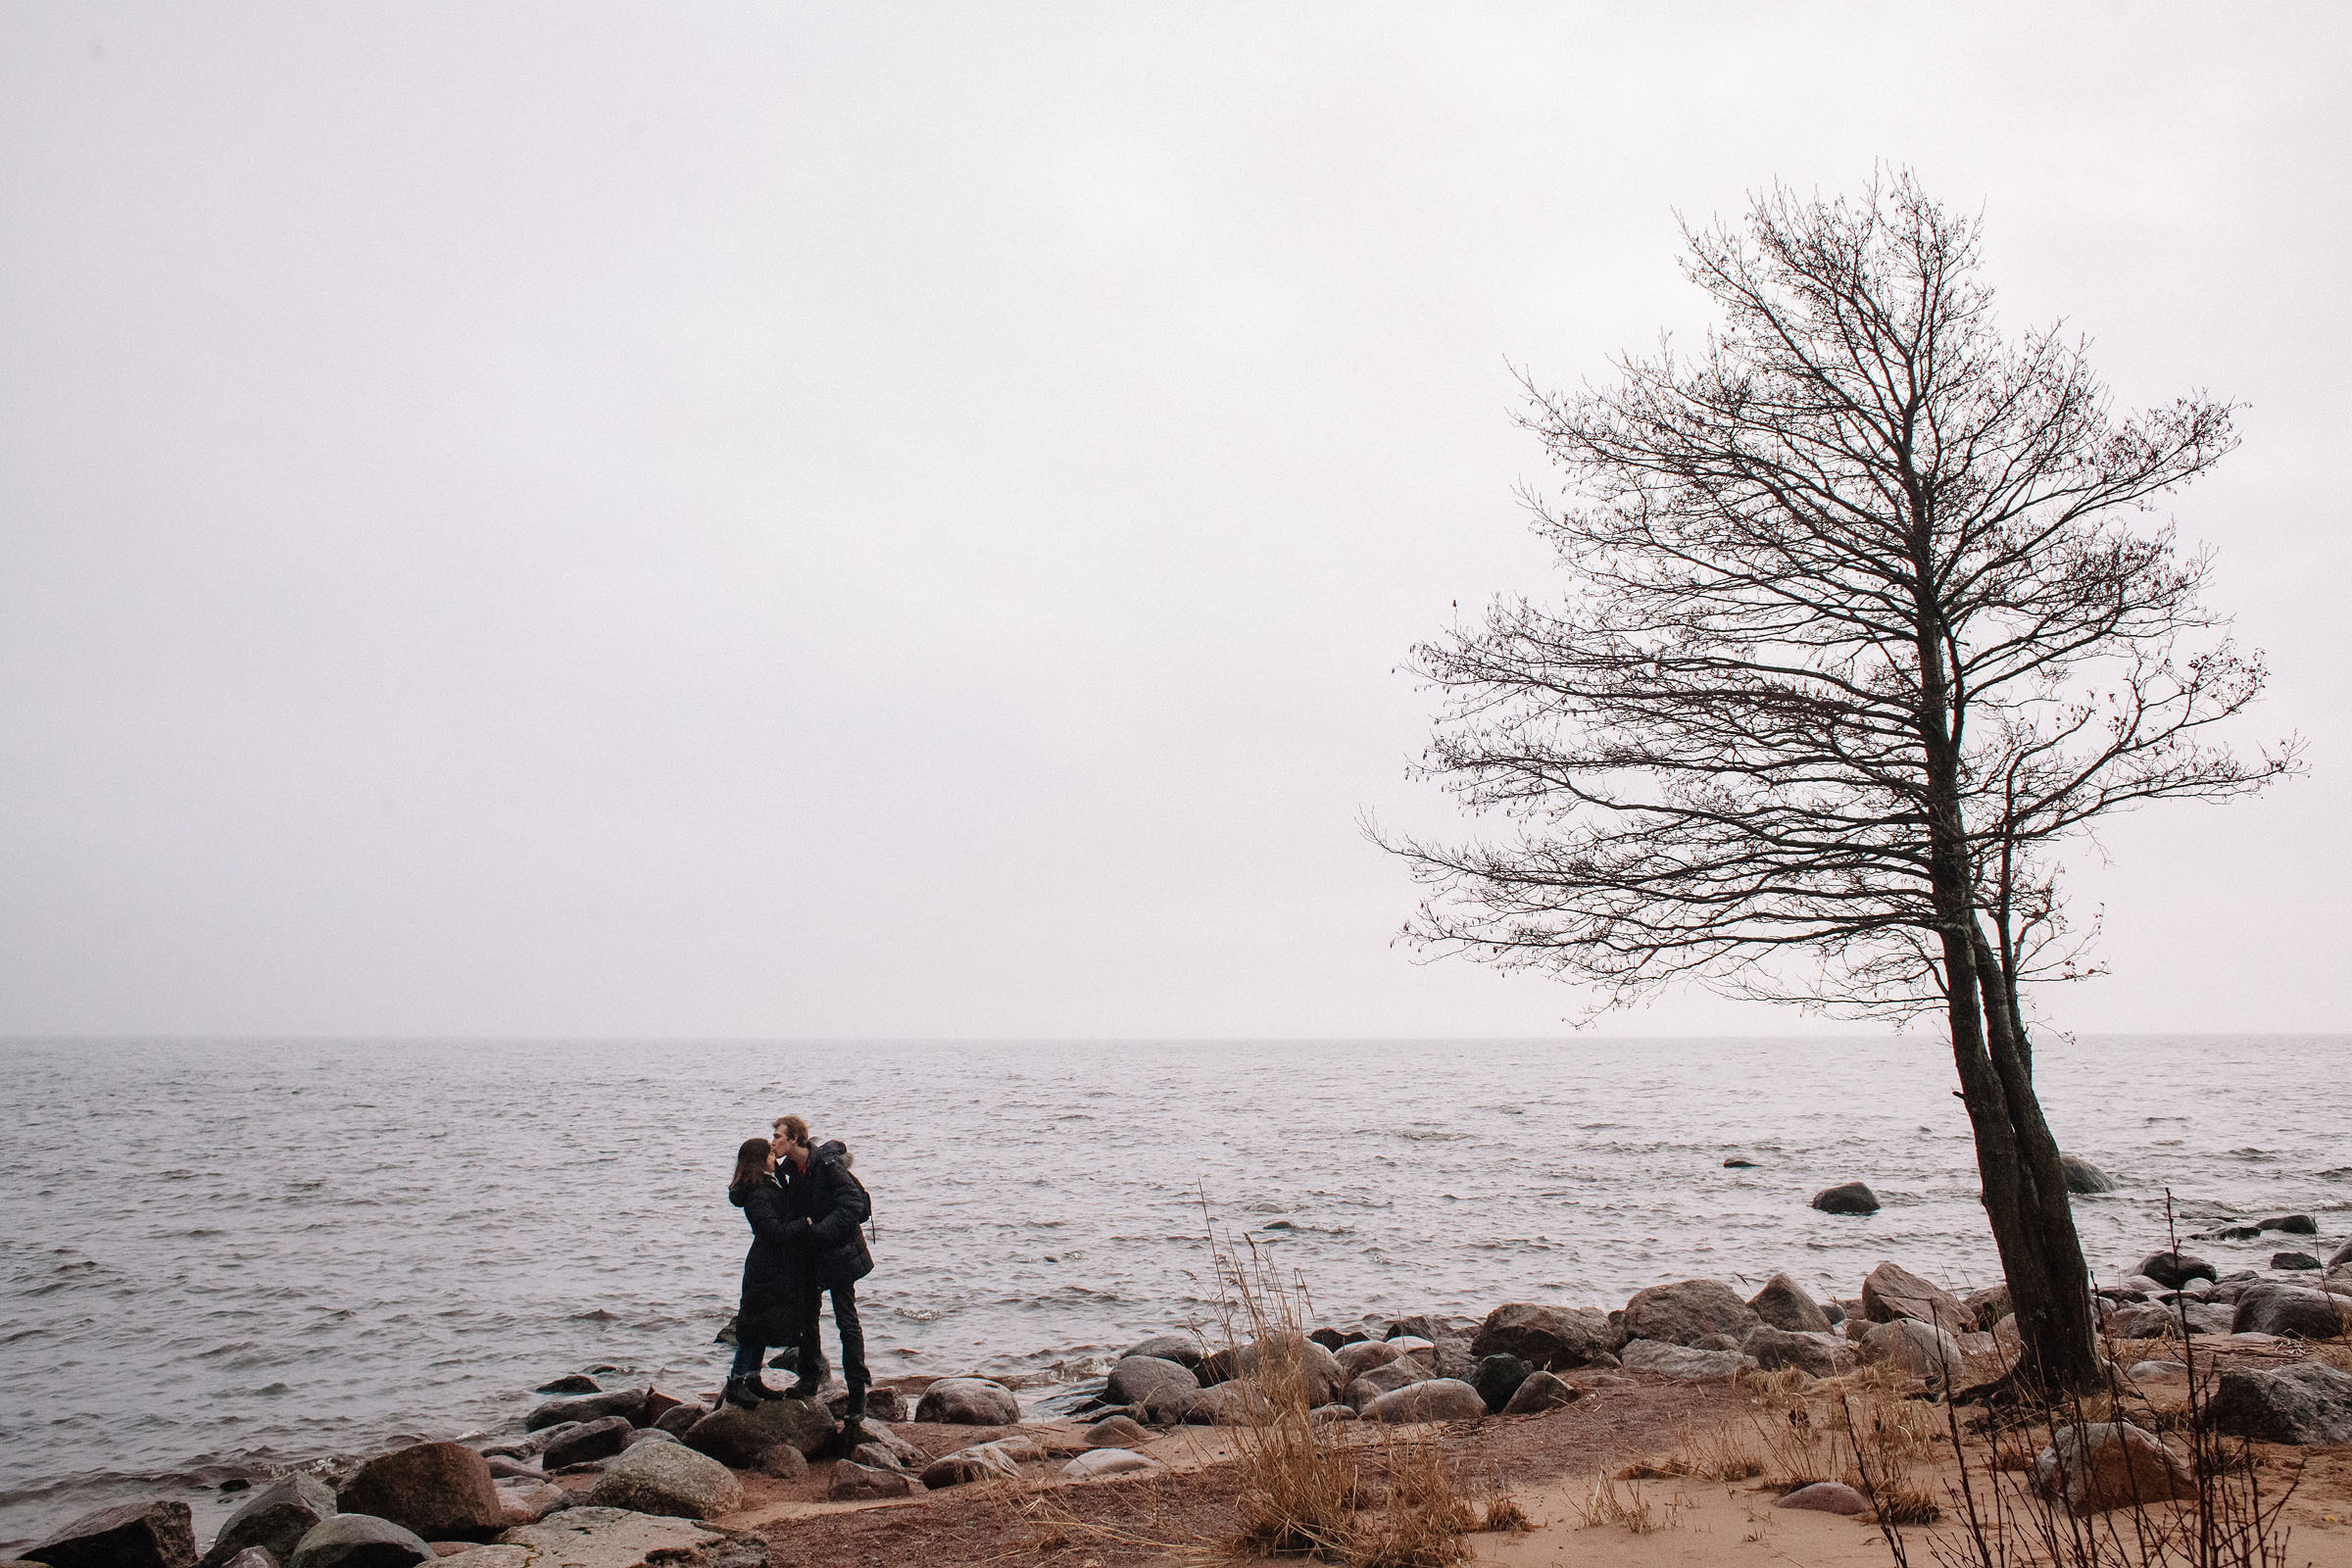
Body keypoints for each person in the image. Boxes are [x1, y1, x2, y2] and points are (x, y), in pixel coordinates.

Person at [771, 1114, 874, 1431]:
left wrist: (819, 1231)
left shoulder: (828, 1167)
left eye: (778, 1137)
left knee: (847, 1321)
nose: (772, 1142)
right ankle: (810, 1378)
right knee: (807, 1315)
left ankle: (858, 1396)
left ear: (795, 1140)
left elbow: (854, 1206)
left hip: (839, 1252)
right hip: (811, 1255)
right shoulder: (789, 1169)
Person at [722, 1137, 795, 1407]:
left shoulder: (767, 1183)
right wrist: (803, 1225)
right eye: (770, 1154)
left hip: (771, 1262)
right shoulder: (757, 1192)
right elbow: (772, 1230)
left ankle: (752, 1377)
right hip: (765, 1264)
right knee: (752, 1322)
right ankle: (737, 1380)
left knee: (762, 1321)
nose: (774, 1157)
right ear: (761, 1160)